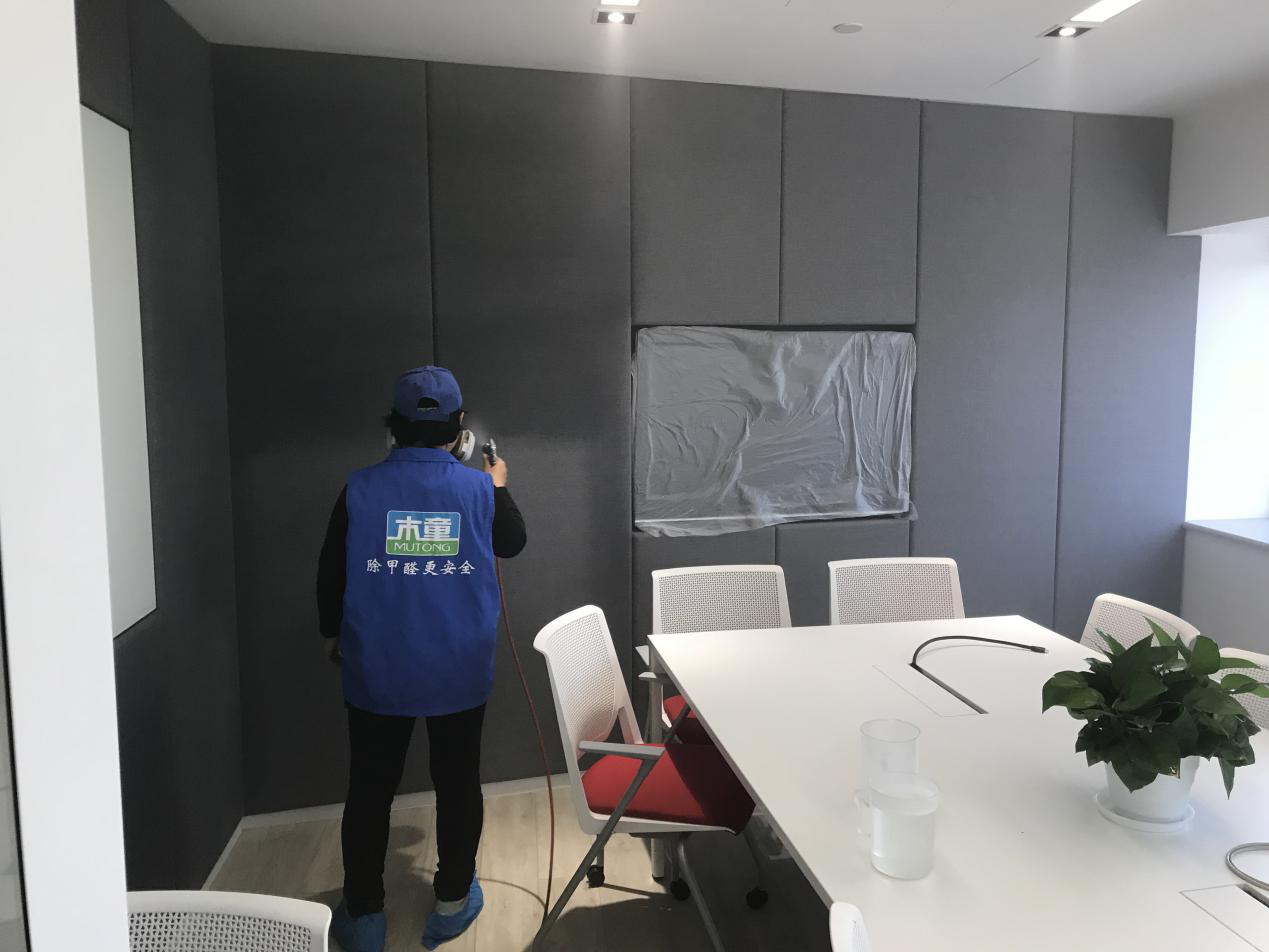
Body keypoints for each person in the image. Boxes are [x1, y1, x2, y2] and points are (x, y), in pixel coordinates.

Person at [316, 366, 527, 952]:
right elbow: (512, 541)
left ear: (394, 426)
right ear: (459, 428)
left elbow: (330, 570)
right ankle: (452, 903)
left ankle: (364, 917)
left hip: (377, 669)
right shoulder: (479, 490)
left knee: (370, 790)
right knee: (458, 785)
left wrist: (332, 633)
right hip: (458, 669)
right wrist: (498, 484)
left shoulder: (358, 488)